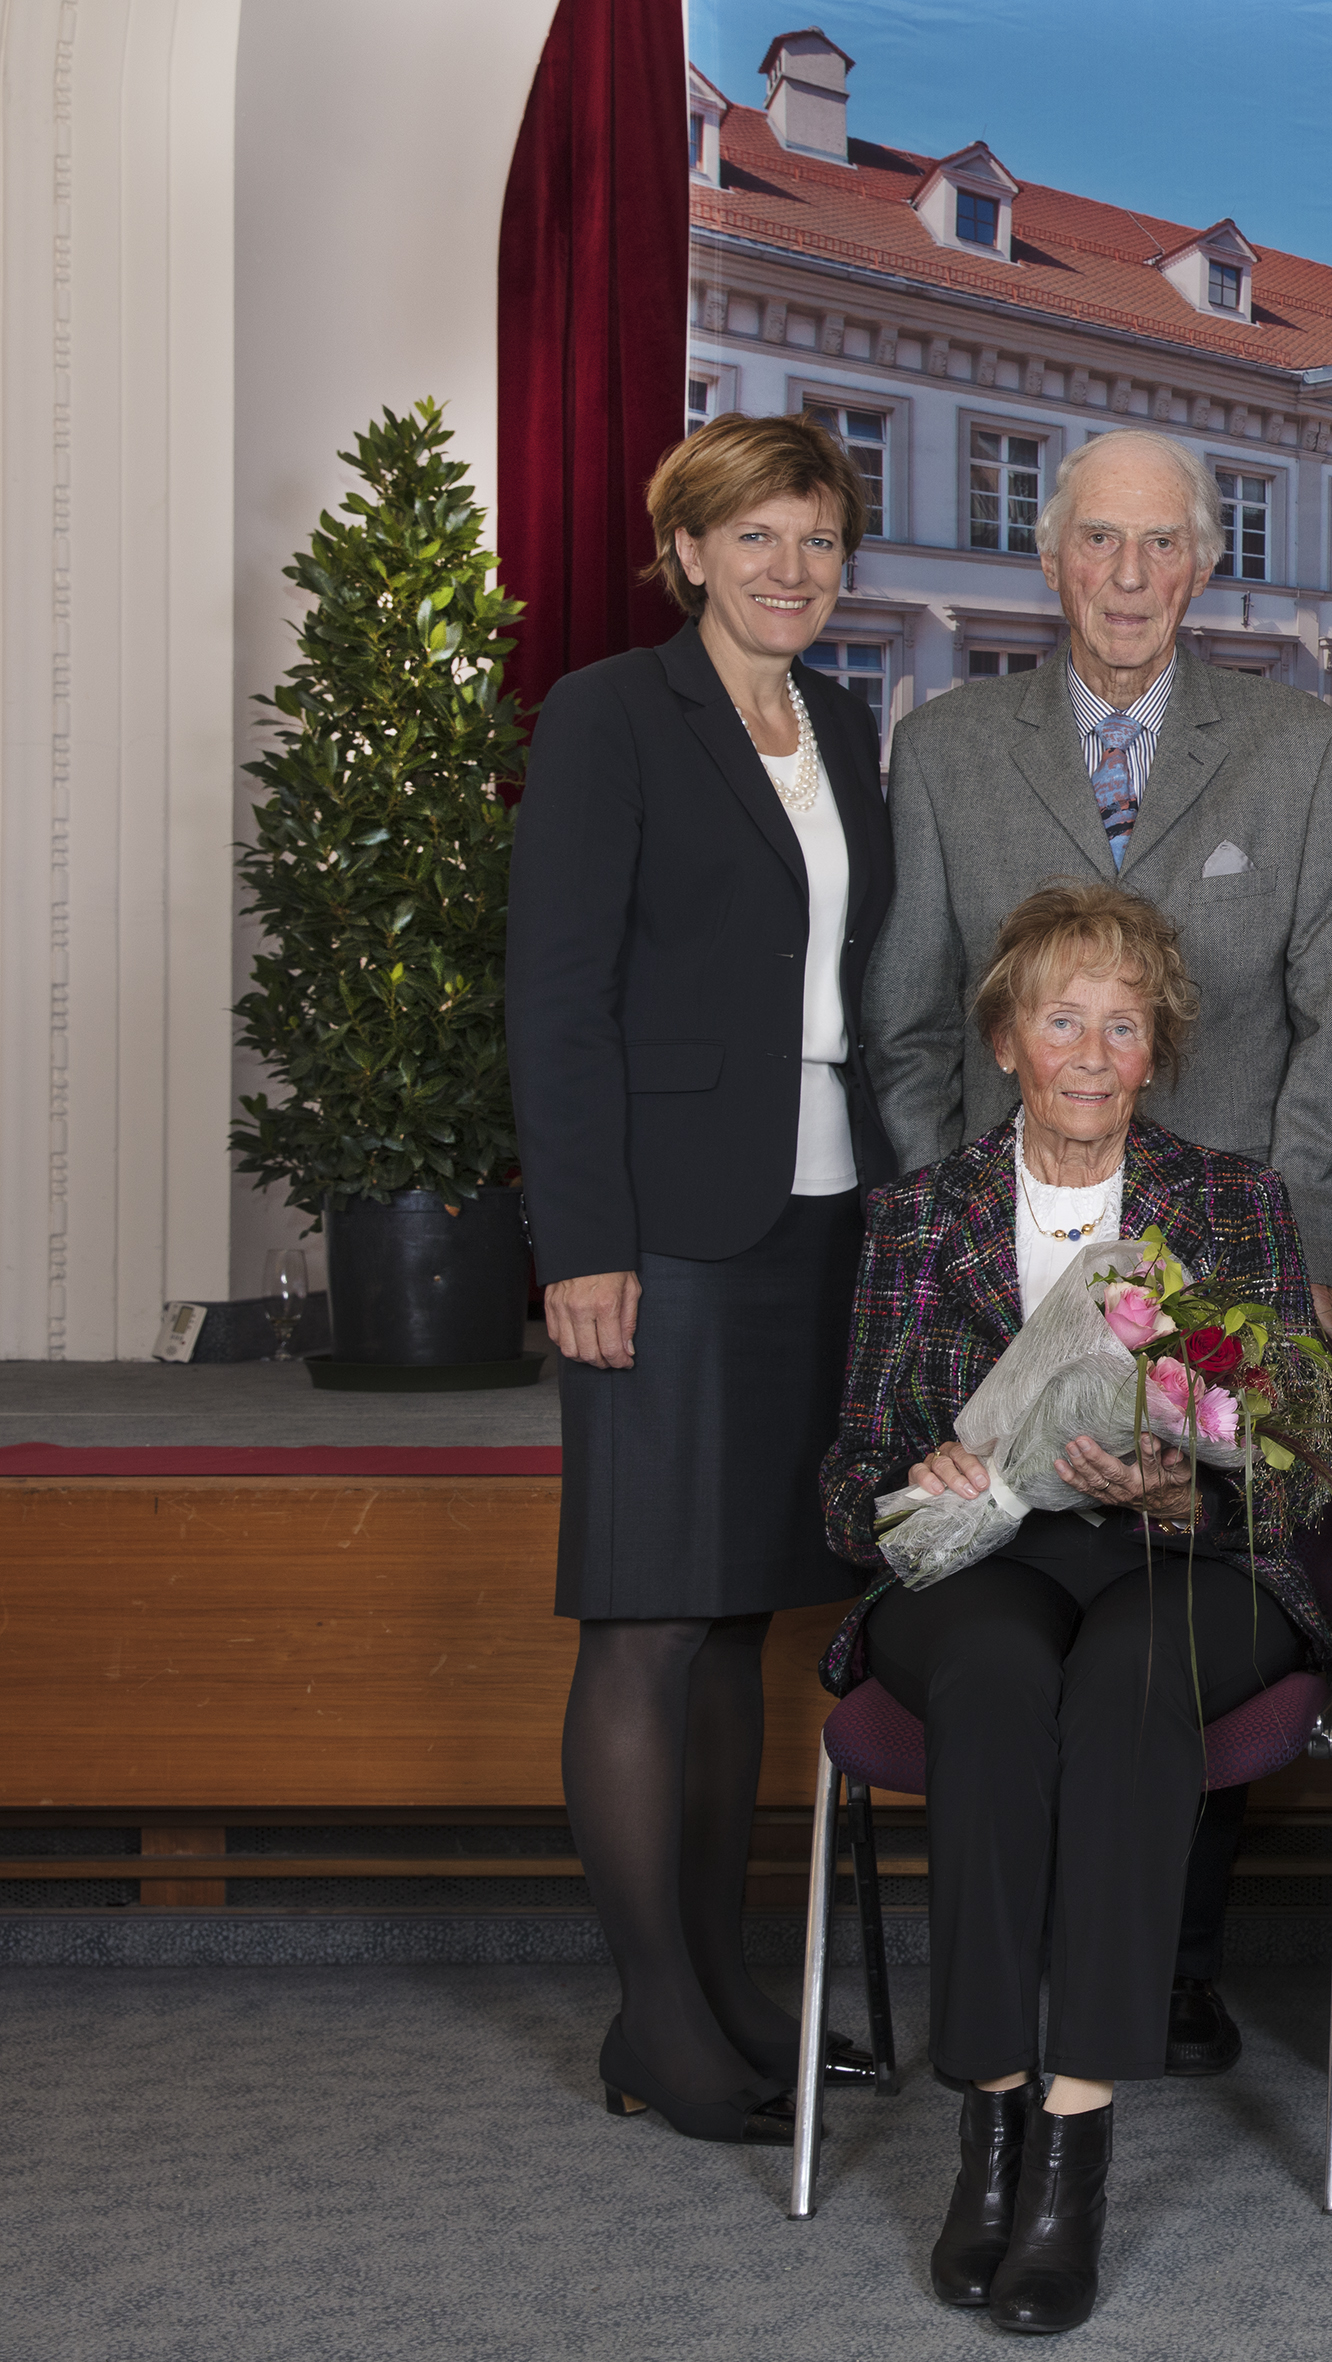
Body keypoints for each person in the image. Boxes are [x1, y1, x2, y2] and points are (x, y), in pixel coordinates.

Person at [865, 425, 1332, 2076]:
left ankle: (1166, 1975)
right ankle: (1051, 2042)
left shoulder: (1297, 748)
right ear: (1051, 555)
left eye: (1163, 545)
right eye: (1099, 540)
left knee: (1168, 1618)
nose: (1130, 575)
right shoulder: (947, 749)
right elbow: (908, 1024)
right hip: (999, 1294)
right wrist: (952, 1257)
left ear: (1203, 566)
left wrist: (1282, 1260)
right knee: (1026, 1659)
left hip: (1225, 1271)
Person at [820, 882, 1332, 2334]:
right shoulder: (918, 1219)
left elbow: (1301, 1471)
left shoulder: (1233, 1204)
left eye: (1125, 1023)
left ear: (1158, 1050)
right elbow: (846, 1485)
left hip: (1181, 1557)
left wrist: (1186, 1490)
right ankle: (987, 2125)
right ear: (1005, 1040)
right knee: (993, 1679)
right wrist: (918, 1471)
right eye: (1063, 1020)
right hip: (983, 1564)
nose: (1094, 1053)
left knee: (1128, 1682)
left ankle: (1073, 2146)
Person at [508, 413, 892, 2146]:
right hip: (659, 1224)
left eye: (816, 538)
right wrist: (580, 1238)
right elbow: (557, 994)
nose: (790, 568)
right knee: (648, 1617)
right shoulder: (610, 716)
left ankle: (731, 1990)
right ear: (687, 552)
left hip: (818, 1210)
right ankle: (653, 2016)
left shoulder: (844, 725)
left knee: (739, 1619)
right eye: (756, 536)